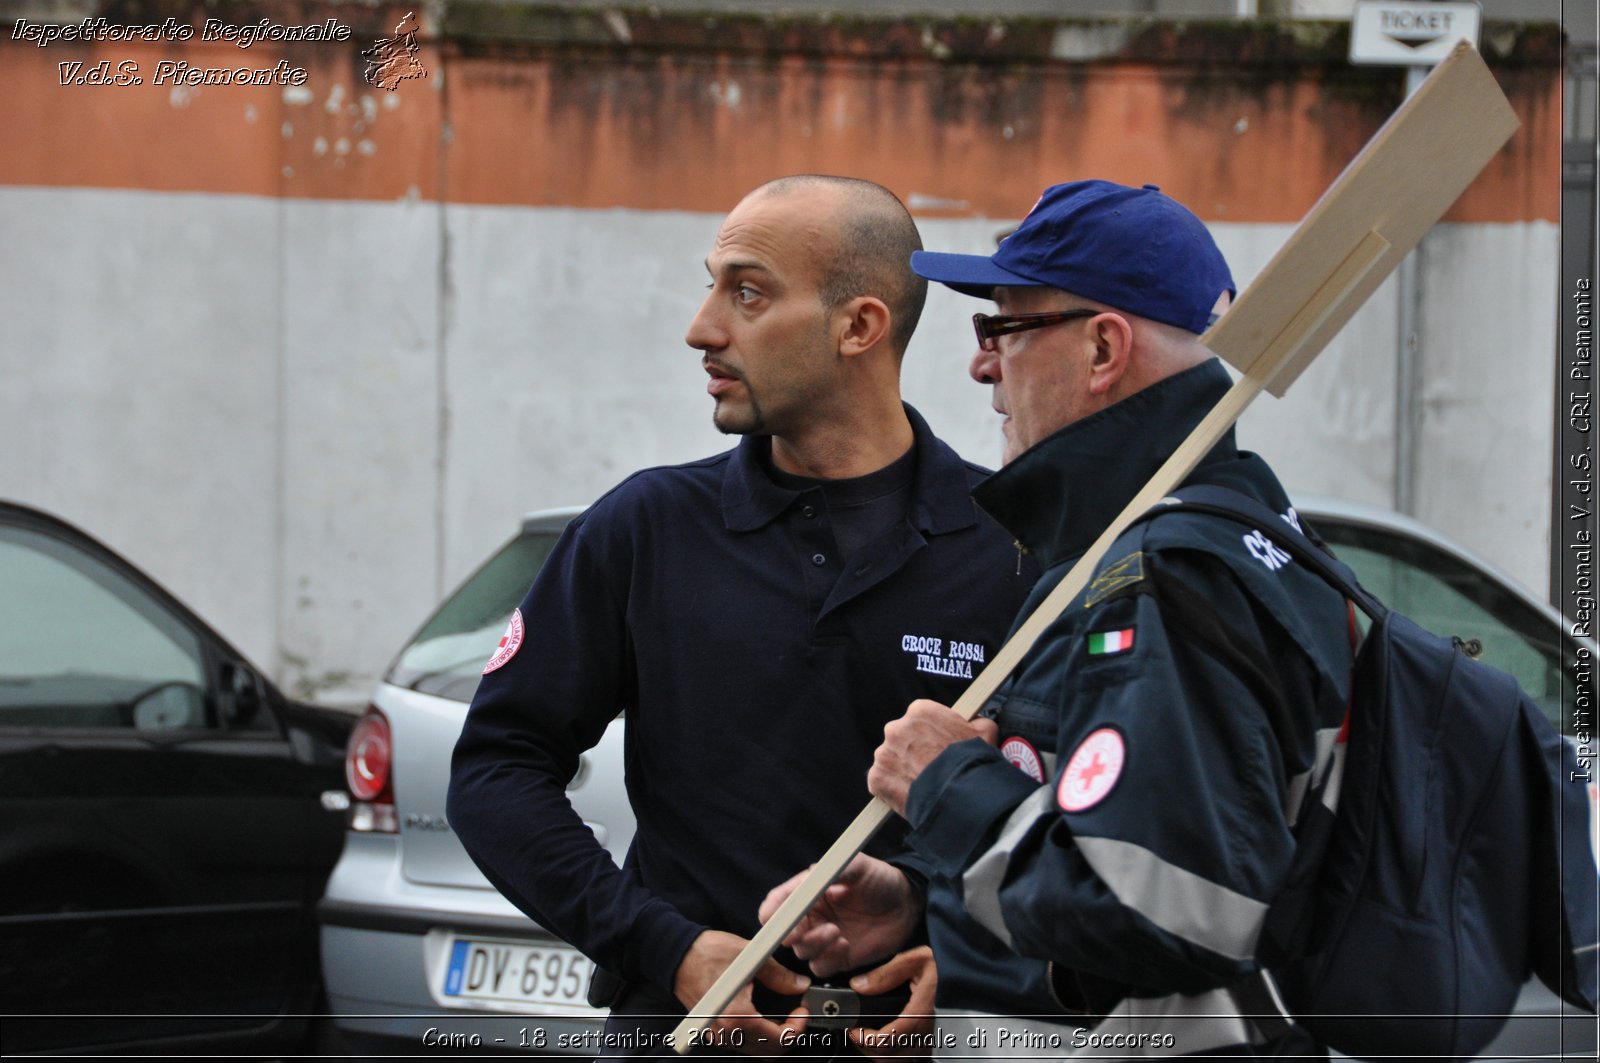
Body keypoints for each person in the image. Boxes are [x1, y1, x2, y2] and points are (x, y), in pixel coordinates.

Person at [447, 174, 1035, 1059]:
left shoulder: (1015, 549)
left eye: (748, 292)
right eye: (712, 283)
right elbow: (496, 767)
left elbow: (1075, 812)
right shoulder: (645, 528)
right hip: (678, 1030)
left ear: (859, 327)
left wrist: (956, 938)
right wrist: (661, 943)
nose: (702, 327)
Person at [765, 180, 1354, 1058]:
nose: (981, 365)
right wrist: (922, 896)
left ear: (1103, 349)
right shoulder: (1139, 547)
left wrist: (947, 785)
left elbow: (1164, 905)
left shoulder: (1168, 574)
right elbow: (1089, 832)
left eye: (1000, 328)